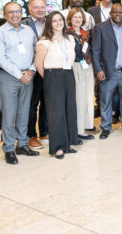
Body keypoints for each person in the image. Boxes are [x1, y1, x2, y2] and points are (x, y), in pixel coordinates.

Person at [0, 2, 40, 164]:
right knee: (9, 113)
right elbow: (0, 59)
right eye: (10, 12)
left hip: (28, 76)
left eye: (17, 11)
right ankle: (9, 148)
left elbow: (36, 53)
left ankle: (23, 144)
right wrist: (20, 74)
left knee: (24, 112)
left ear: (22, 13)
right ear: (5, 15)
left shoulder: (28, 31)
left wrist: (32, 70)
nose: (15, 15)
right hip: (9, 78)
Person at [34, 11, 79, 159]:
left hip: (68, 74)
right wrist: (49, 79)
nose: (58, 23)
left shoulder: (70, 39)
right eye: (54, 21)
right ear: (49, 24)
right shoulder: (44, 42)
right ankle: (57, 148)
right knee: (56, 113)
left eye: (60, 20)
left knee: (68, 110)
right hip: (52, 77)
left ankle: (66, 144)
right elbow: (39, 64)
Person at [92, 4, 122, 139]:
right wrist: (98, 69)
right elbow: (95, 51)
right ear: (110, 13)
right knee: (106, 101)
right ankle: (106, 127)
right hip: (107, 72)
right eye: (115, 12)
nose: (118, 14)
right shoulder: (100, 28)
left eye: (120, 12)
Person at [22, 0, 48, 149]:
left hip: (48, 69)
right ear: (30, 9)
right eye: (36, 7)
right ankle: (31, 135)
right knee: (32, 104)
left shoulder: (49, 23)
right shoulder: (24, 24)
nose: (40, 10)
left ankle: (44, 132)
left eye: (42, 7)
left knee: (47, 102)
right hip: (32, 70)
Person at [67, 8, 95, 141]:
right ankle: (77, 130)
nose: (77, 19)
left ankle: (85, 126)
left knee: (88, 98)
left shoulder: (86, 33)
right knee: (78, 99)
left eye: (79, 17)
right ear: (70, 19)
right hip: (76, 66)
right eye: (75, 17)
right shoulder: (67, 34)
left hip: (87, 68)